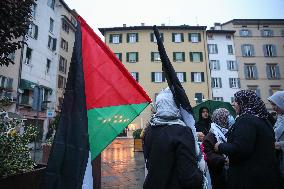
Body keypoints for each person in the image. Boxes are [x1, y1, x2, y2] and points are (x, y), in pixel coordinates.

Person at [214, 90, 280, 189]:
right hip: (265, 176)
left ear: (243, 103)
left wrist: (220, 146)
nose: (233, 104)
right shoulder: (263, 120)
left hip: (250, 179)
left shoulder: (246, 120)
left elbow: (240, 149)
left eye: (236, 101)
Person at [143, 88, 203, 189]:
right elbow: (189, 177)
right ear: (175, 105)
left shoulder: (150, 130)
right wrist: (201, 173)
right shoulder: (182, 131)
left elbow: (149, 165)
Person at [203, 108, 233, 189]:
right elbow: (209, 154)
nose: (228, 119)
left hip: (231, 174)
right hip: (219, 175)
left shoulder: (229, 132)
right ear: (220, 119)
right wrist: (224, 160)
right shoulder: (211, 135)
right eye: (226, 117)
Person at [268, 91, 284, 181]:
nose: (273, 108)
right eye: (272, 104)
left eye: (275, 104)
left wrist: (279, 145)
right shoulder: (280, 118)